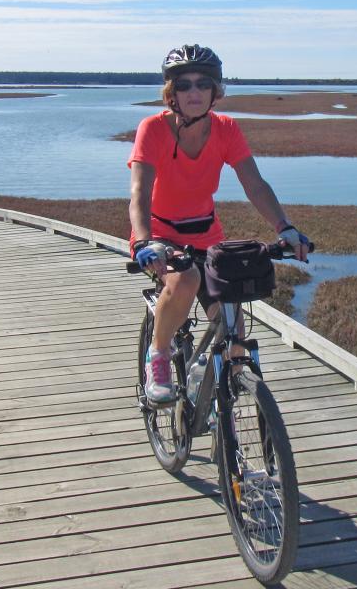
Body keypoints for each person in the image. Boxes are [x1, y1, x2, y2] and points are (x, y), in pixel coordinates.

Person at [129, 44, 309, 405]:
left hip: (206, 234)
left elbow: (255, 184)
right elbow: (139, 193)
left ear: (215, 90)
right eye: (184, 85)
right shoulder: (152, 129)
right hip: (160, 234)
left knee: (234, 330)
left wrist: (284, 227)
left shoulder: (226, 129)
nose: (194, 92)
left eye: (203, 84)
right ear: (171, 92)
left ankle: (212, 392)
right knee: (186, 279)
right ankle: (159, 357)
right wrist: (144, 242)